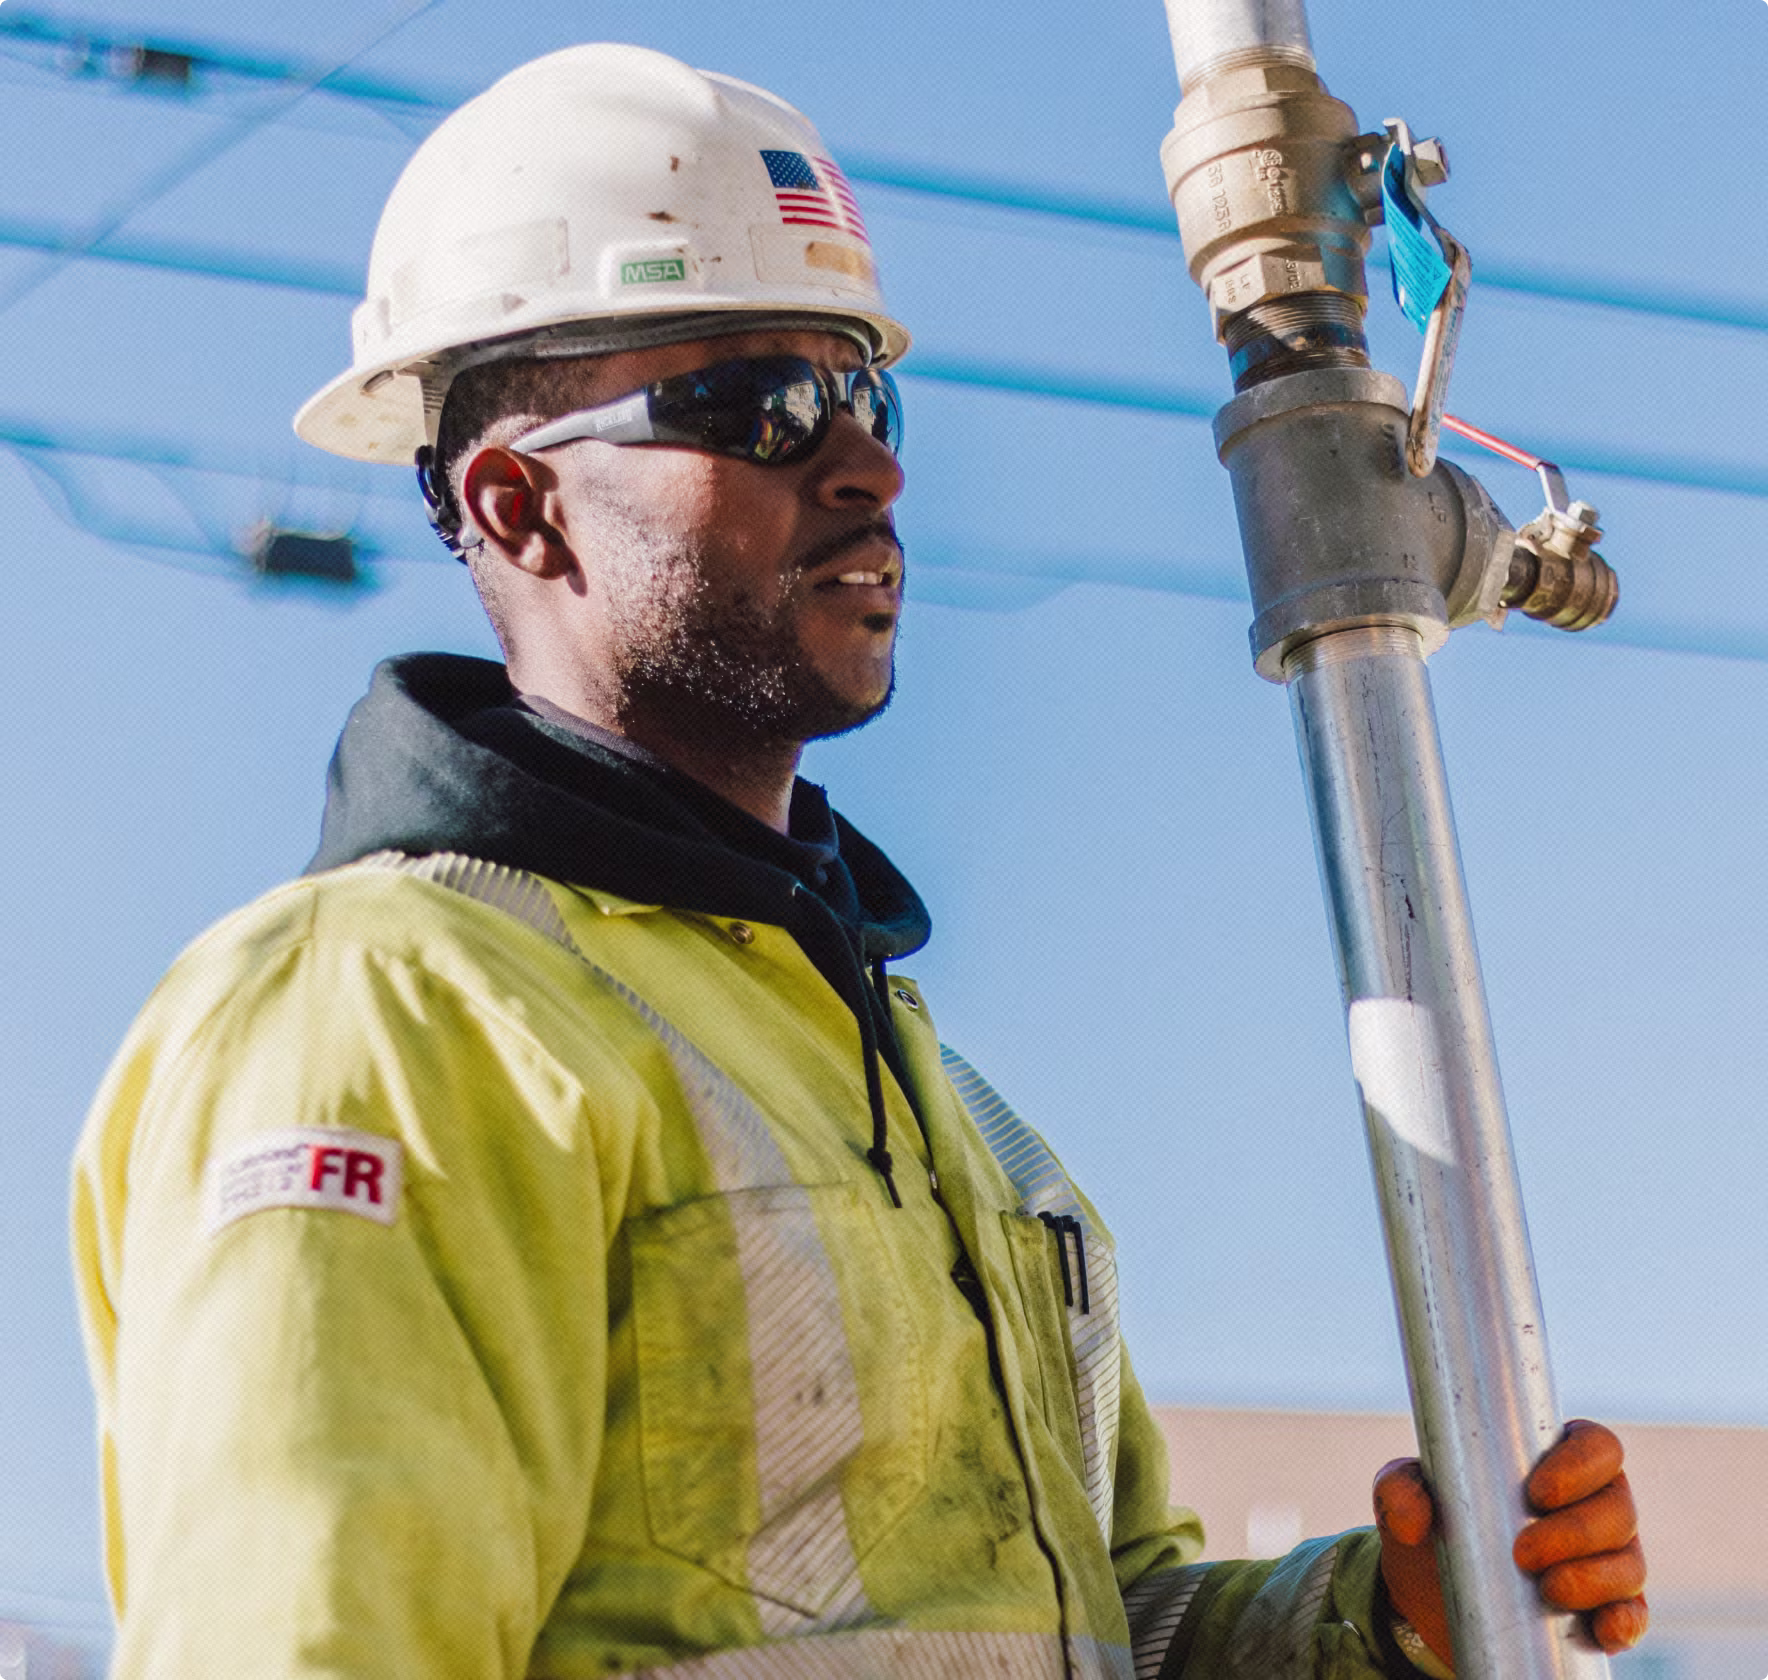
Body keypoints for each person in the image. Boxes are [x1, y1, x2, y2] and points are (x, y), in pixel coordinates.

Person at [71, 42, 1646, 1680]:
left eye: (864, 395)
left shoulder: (939, 1099)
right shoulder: (392, 1015)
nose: (869, 465)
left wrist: (1382, 1627)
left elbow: (1095, 1635)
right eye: (763, 410)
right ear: (518, 506)